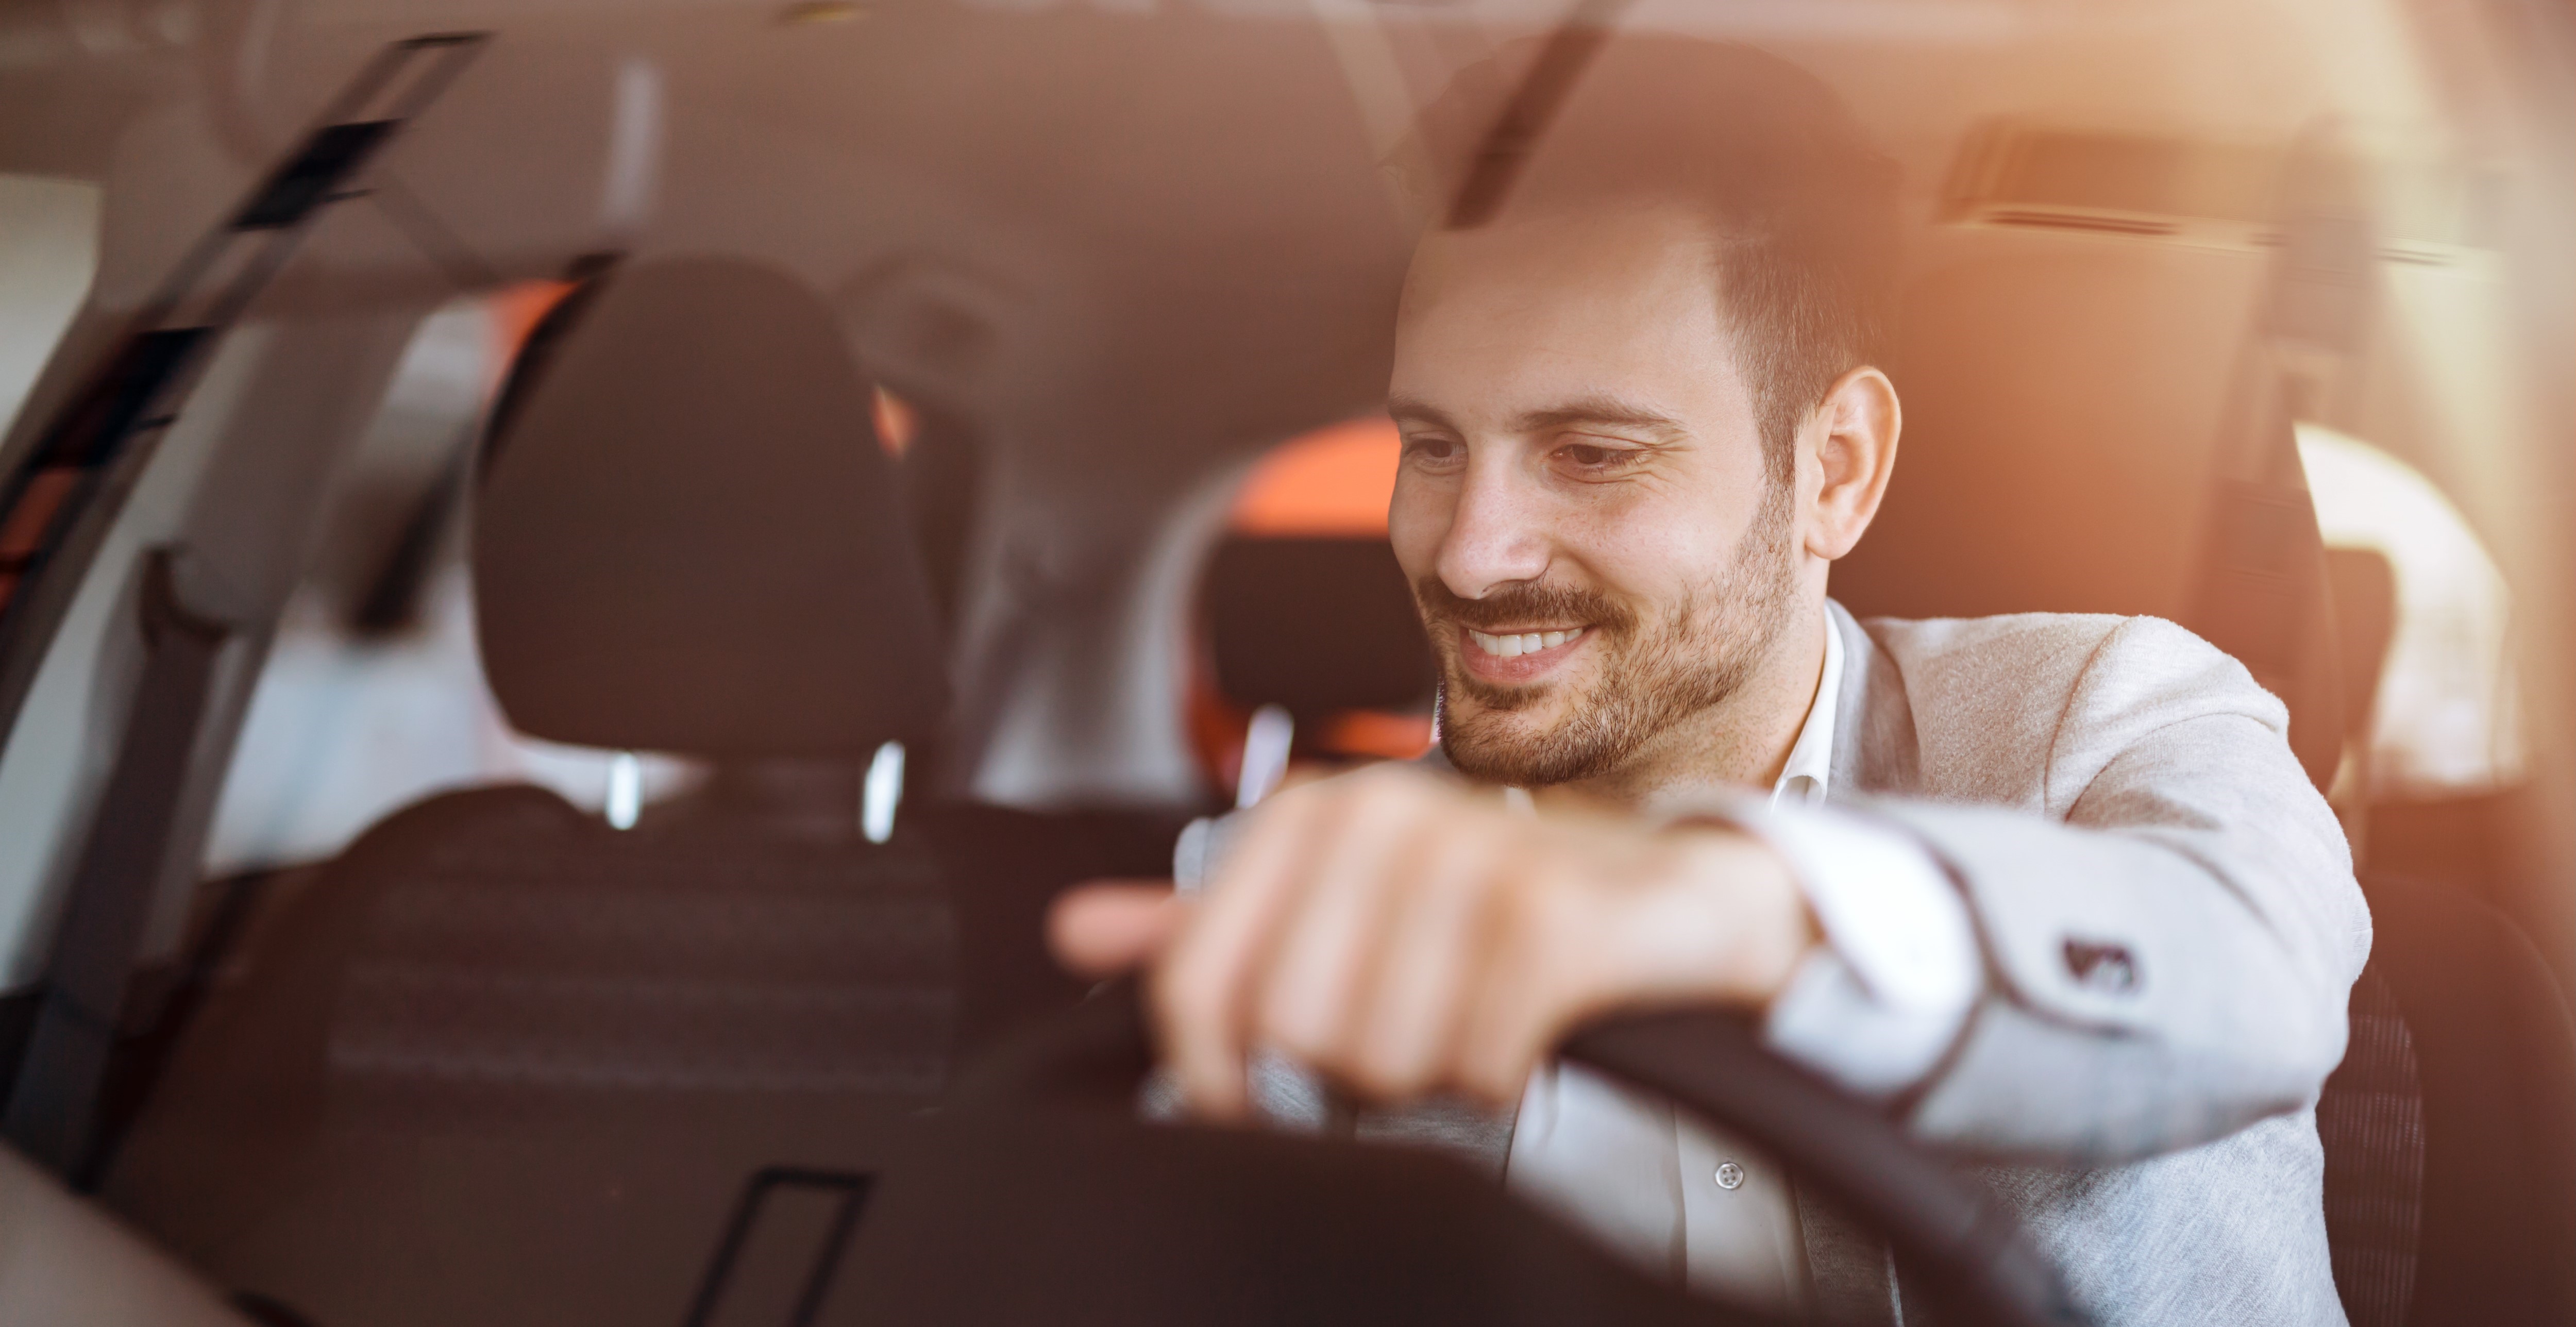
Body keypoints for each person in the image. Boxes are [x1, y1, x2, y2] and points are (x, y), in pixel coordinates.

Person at [1053, 37, 2366, 1326]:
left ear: (1835, 469)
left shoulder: (2100, 719)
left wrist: (1736, 904)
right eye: (1433, 445)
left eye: (1589, 452)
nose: (1469, 550)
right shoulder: (1292, 889)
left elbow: (2255, 975)